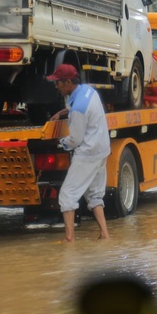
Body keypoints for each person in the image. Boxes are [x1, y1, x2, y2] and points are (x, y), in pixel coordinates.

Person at [47, 64, 110, 242]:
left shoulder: (78, 110)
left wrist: (58, 142)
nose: (56, 86)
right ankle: (105, 235)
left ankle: (69, 240)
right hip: (102, 148)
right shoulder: (88, 91)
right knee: (95, 194)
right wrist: (62, 112)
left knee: (67, 195)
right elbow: (79, 107)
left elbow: (75, 139)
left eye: (58, 83)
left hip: (88, 153)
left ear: (68, 82)